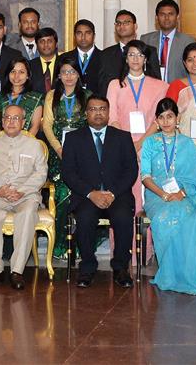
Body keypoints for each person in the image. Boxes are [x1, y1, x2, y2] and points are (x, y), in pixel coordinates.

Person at [140, 98, 196, 295]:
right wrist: (165, 195)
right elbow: (146, 177)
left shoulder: (187, 143)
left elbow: (195, 177)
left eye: (170, 116)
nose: (166, 121)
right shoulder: (150, 143)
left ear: (177, 118)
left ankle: (190, 274)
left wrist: (181, 193)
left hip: (184, 194)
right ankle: (172, 274)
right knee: (169, 217)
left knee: (192, 217)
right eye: (161, 117)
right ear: (156, 120)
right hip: (157, 196)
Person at [61, 96, 138, 288]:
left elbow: (131, 171)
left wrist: (112, 193)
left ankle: (120, 267)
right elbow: (68, 173)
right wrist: (91, 193)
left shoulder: (123, 137)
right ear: (86, 113)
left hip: (117, 195)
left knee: (123, 217)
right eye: (93, 109)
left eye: (102, 109)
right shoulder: (73, 139)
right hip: (87, 196)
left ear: (108, 112)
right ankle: (87, 267)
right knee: (85, 218)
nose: (98, 113)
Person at [0, 104, 49, 289]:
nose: (11, 121)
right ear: (2, 122)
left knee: (27, 214)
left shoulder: (34, 145)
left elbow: (41, 174)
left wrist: (22, 190)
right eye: (7, 118)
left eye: (16, 118)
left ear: (23, 123)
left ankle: (17, 271)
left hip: (25, 195)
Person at [107, 40, 168, 208]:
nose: (135, 59)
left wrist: (139, 144)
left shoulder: (161, 86)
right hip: (121, 147)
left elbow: (159, 120)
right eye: (131, 54)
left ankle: (149, 235)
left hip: (150, 146)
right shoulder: (115, 85)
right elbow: (112, 118)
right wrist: (127, 145)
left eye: (140, 55)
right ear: (125, 59)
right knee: (125, 200)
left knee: (149, 200)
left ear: (146, 59)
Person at [40, 60, 87, 258]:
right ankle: (59, 245)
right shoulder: (52, 96)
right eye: (64, 72)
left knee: (81, 195)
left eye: (72, 72)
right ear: (58, 75)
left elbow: (90, 125)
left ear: (78, 74)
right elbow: (47, 126)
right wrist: (59, 149)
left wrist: (76, 152)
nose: (68, 76)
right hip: (57, 155)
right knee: (60, 194)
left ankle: (78, 246)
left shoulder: (87, 96)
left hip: (83, 157)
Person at [140, 0, 196, 83]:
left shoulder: (188, 41)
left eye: (171, 14)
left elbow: (193, 71)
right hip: (152, 90)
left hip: (178, 91)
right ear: (156, 17)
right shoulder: (146, 39)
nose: (166, 18)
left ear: (177, 17)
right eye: (162, 14)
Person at [0, 59, 44, 136]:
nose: (16, 76)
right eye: (13, 71)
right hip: (2, 143)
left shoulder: (36, 98)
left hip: (27, 144)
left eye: (21, 72)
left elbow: (35, 127)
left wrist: (21, 144)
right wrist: (3, 142)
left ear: (28, 75)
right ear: (8, 74)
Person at [61, 18, 109, 97]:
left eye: (88, 33)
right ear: (74, 36)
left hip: (96, 105)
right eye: (79, 33)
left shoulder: (105, 58)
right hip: (70, 105)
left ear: (94, 35)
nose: (83, 37)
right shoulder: (64, 58)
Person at [29, 27, 61, 93]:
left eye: (49, 41)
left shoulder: (63, 64)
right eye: (41, 41)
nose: (46, 45)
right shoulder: (30, 66)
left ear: (56, 44)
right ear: (36, 45)